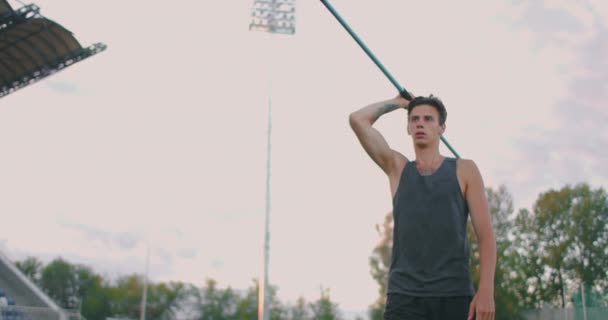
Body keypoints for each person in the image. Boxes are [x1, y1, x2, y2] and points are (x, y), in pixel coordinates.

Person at [349, 93, 497, 320]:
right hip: (404, 297)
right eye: (414, 119)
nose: (420, 123)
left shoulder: (465, 170)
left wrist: (486, 290)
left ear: (442, 128)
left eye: (428, 119)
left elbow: (485, 235)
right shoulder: (397, 169)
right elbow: (358, 119)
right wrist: (398, 103)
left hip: (454, 295)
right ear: (408, 128)